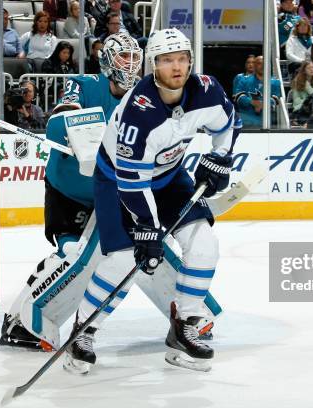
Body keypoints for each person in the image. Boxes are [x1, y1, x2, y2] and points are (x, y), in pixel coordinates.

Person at [65, 28, 240, 374]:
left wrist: (221, 156)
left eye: (182, 59)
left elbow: (229, 123)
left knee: (204, 243)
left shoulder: (206, 90)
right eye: (166, 60)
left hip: (170, 177)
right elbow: (132, 181)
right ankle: (83, 331)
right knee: (125, 261)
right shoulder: (138, 111)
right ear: (152, 66)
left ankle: (184, 325)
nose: (176, 67)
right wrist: (147, 226)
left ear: (190, 60)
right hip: (118, 182)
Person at [0, 32, 144, 352]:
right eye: (123, 57)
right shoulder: (84, 84)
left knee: (123, 260)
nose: (130, 64)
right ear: (107, 60)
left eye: (134, 58)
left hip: (108, 198)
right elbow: (57, 123)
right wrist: (84, 137)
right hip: (68, 190)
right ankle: (17, 321)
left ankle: (187, 314)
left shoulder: (143, 101)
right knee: (71, 255)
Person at [234, 55, 282, 128]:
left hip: (268, 121)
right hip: (246, 120)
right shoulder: (244, 80)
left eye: (264, 63)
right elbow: (238, 96)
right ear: (255, 65)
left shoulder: (275, 82)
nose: (262, 66)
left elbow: (276, 99)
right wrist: (252, 102)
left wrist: (262, 104)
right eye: (259, 63)